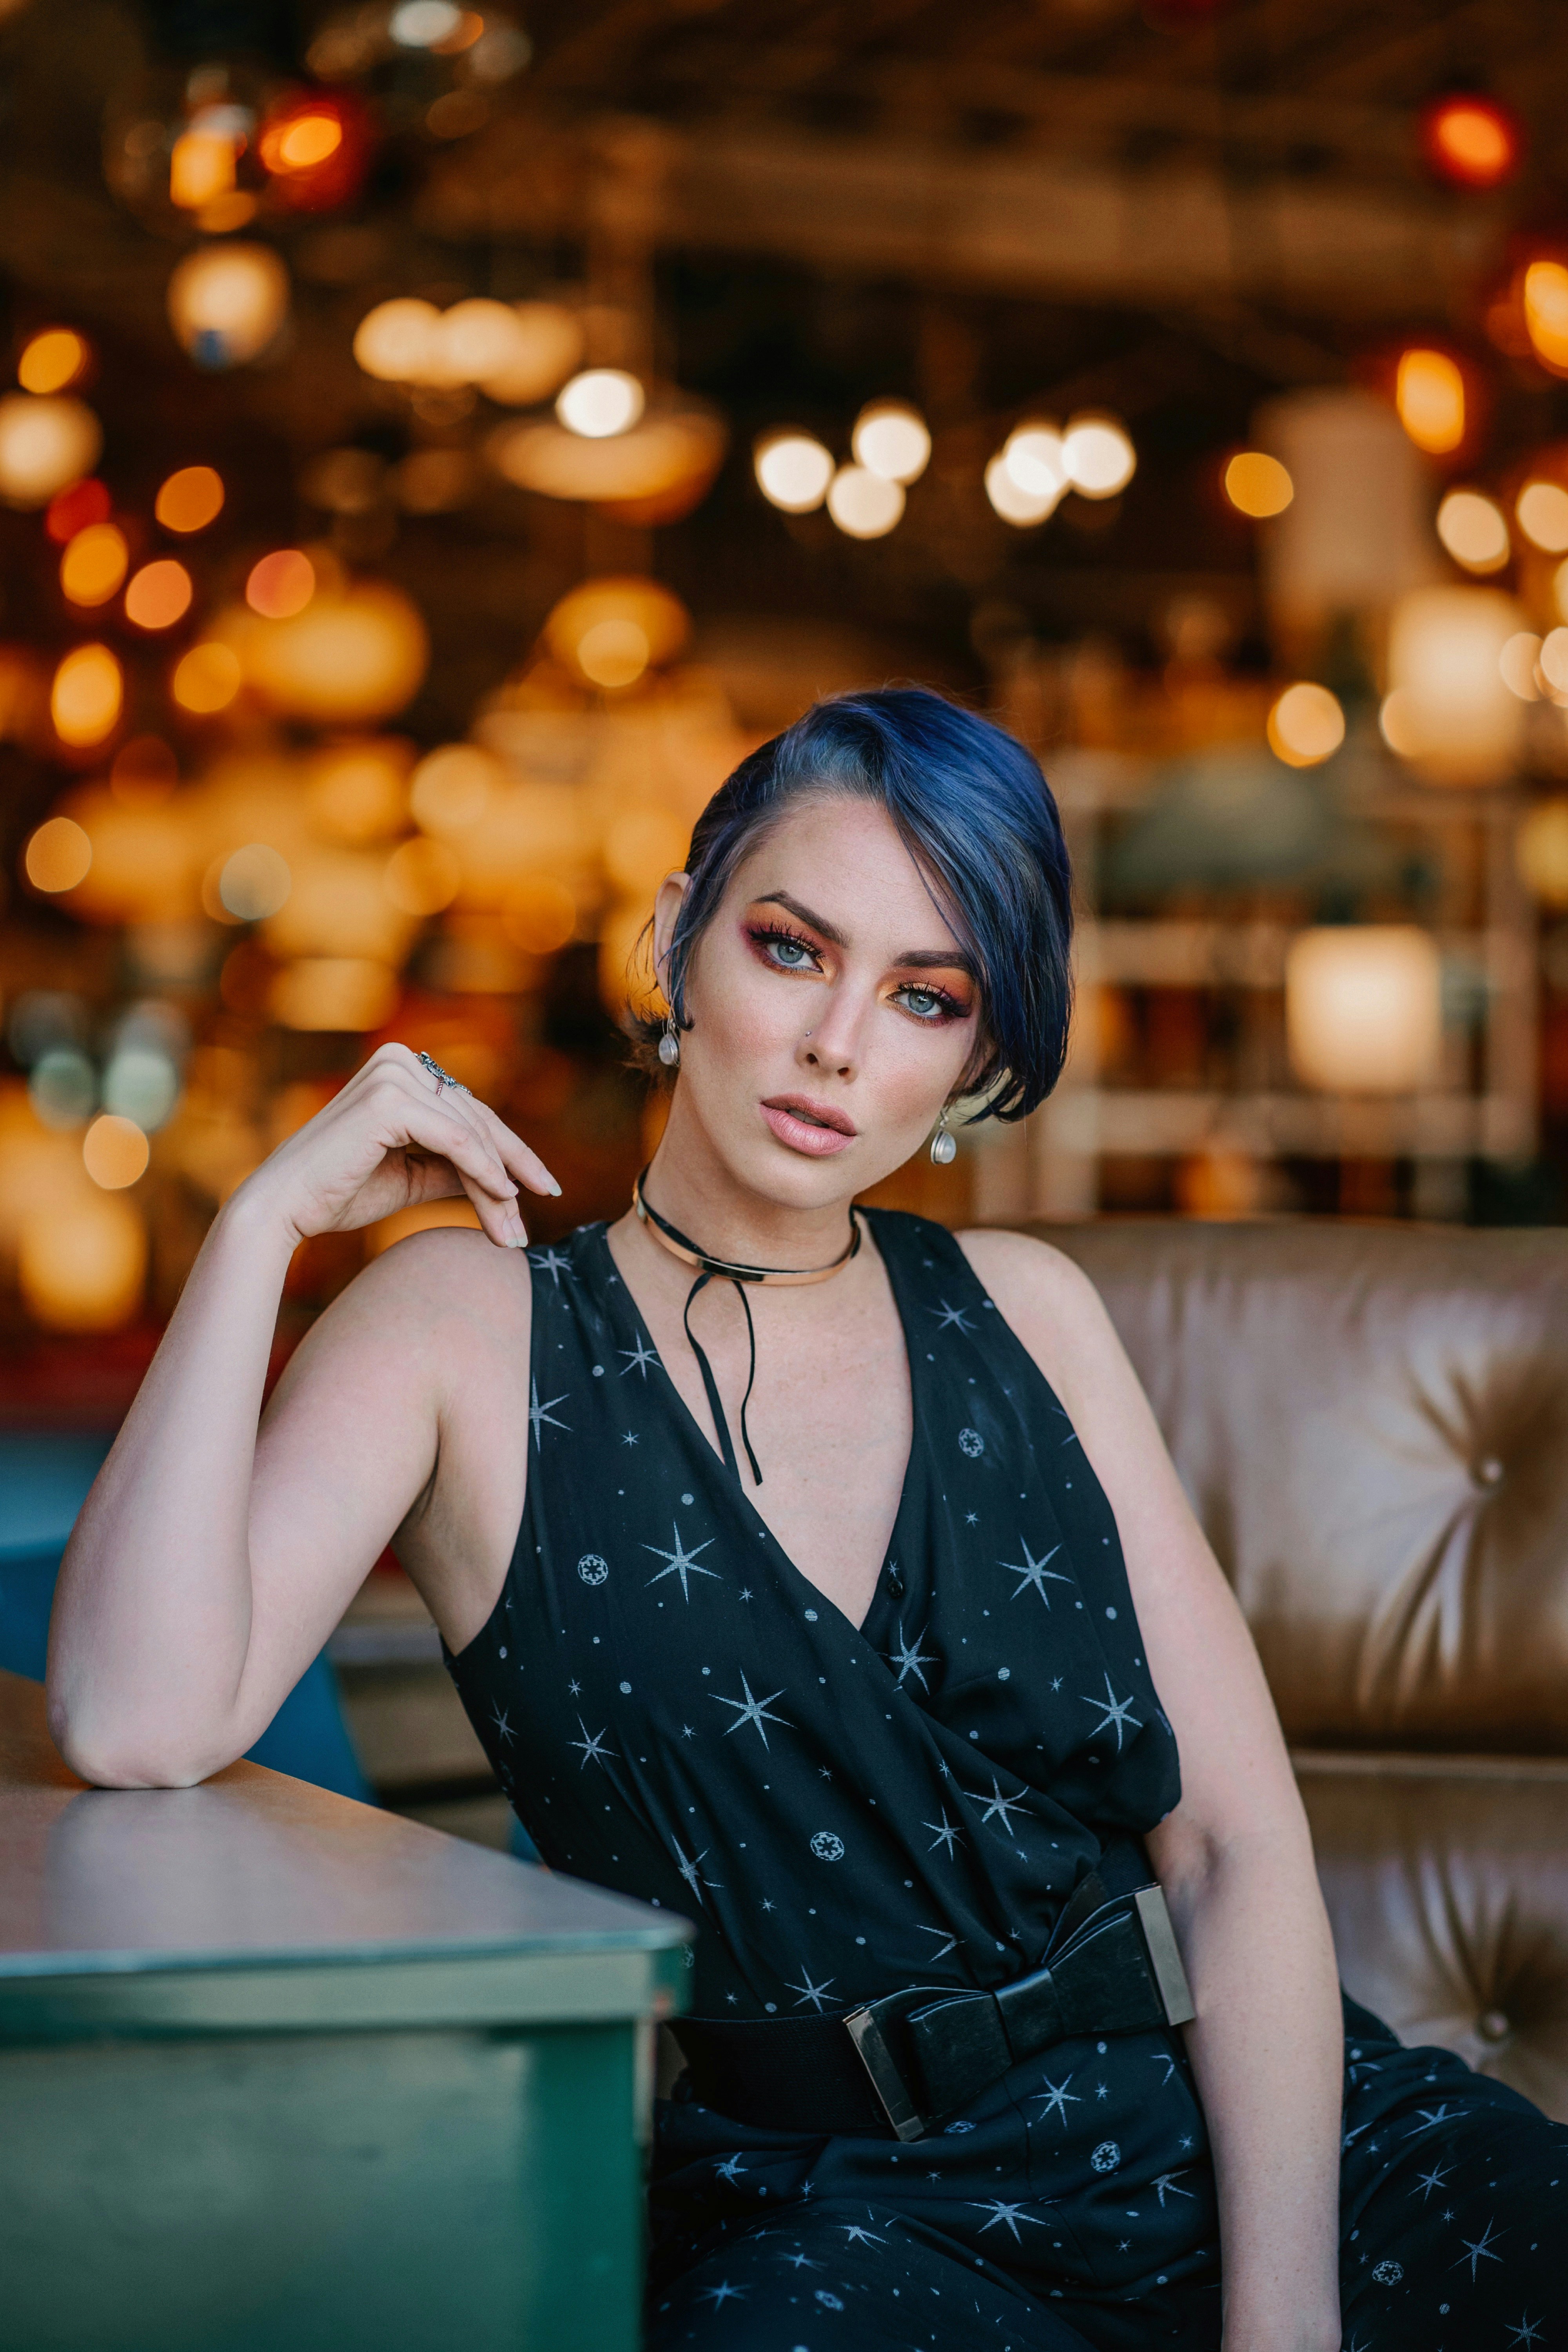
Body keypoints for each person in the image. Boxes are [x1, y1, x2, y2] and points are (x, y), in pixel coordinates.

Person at [50, 690, 1564, 2352]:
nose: (843, 1041)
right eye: (791, 950)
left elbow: (1235, 1847)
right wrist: (264, 1222)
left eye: (925, 995)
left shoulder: (1030, 1311)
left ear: (976, 1056)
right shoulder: (458, 1331)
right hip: (842, 2216)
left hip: (1268, 2144)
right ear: (670, 945)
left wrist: (1283, 2328)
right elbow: (132, 1720)